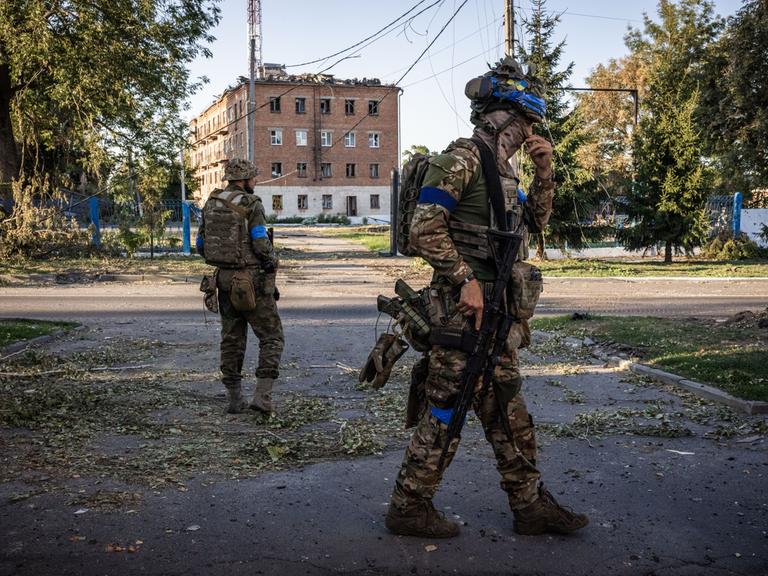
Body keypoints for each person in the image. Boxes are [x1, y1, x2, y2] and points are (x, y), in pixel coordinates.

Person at [385, 57, 589, 538]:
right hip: (462, 313)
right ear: (502, 117)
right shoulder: (462, 159)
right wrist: (465, 279)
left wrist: (544, 174)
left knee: (508, 412)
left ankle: (530, 505)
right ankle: (408, 506)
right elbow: (423, 229)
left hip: (497, 315)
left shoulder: (505, 171)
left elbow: (534, 226)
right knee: (446, 411)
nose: (527, 134)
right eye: (525, 124)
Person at [196, 158, 284, 414]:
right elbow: (259, 241)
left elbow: (201, 244)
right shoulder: (251, 203)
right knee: (272, 337)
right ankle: (263, 398)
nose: (255, 182)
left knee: (232, 340)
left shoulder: (211, 202)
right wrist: (271, 260)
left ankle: (234, 399)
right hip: (251, 281)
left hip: (223, 280)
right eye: (253, 178)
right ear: (244, 180)